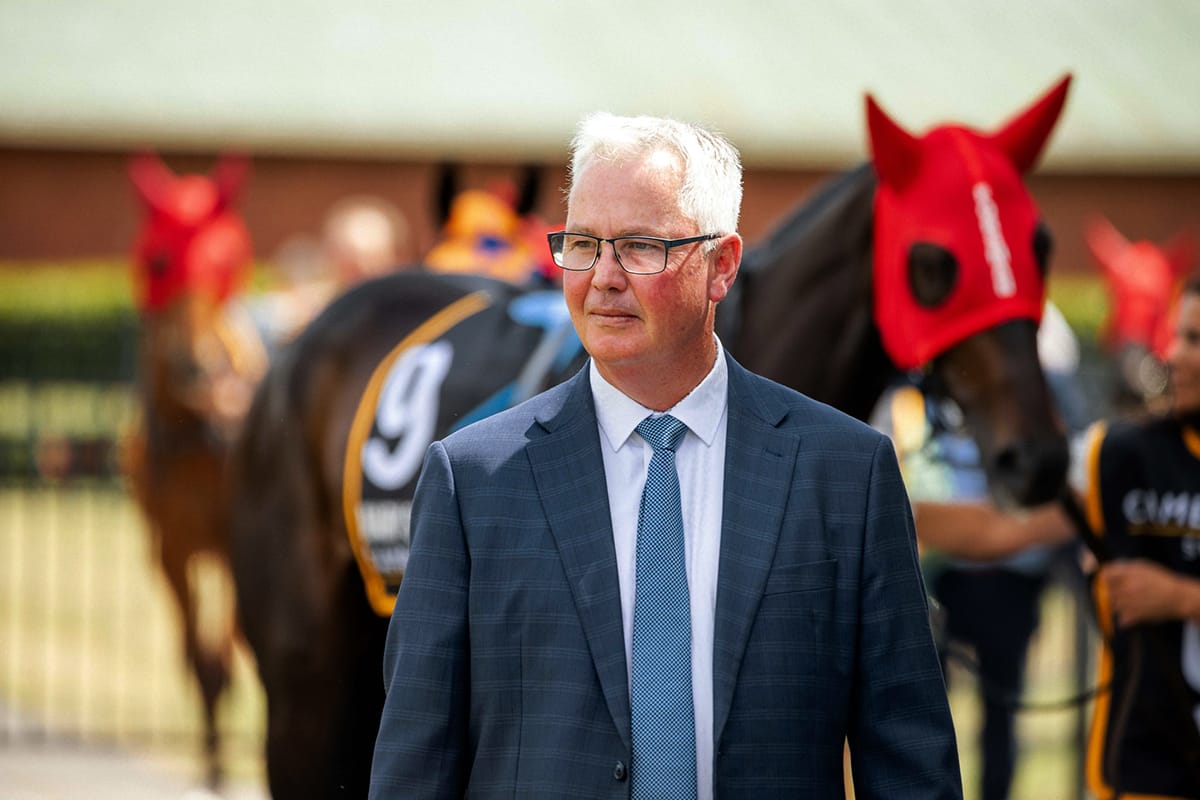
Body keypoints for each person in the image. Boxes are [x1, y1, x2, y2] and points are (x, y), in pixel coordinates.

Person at [369, 112, 962, 799]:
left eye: (640, 247)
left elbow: (911, 764)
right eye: (583, 244)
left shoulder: (846, 473)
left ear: (721, 266)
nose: (603, 277)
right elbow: (416, 765)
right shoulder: (473, 480)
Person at [871, 300, 1091, 800]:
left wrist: (988, 530)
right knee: (922, 719)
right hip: (943, 577)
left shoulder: (1045, 369)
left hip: (1009, 578)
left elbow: (1066, 487)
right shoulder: (917, 388)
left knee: (998, 724)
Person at [1078, 275, 1200, 799]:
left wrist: (1179, 597)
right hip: (1144, 770)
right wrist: (892, 504)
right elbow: (1006, 523)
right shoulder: (1122, 453)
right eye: (1177, 335)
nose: (1174, 355)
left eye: (1195, 339)